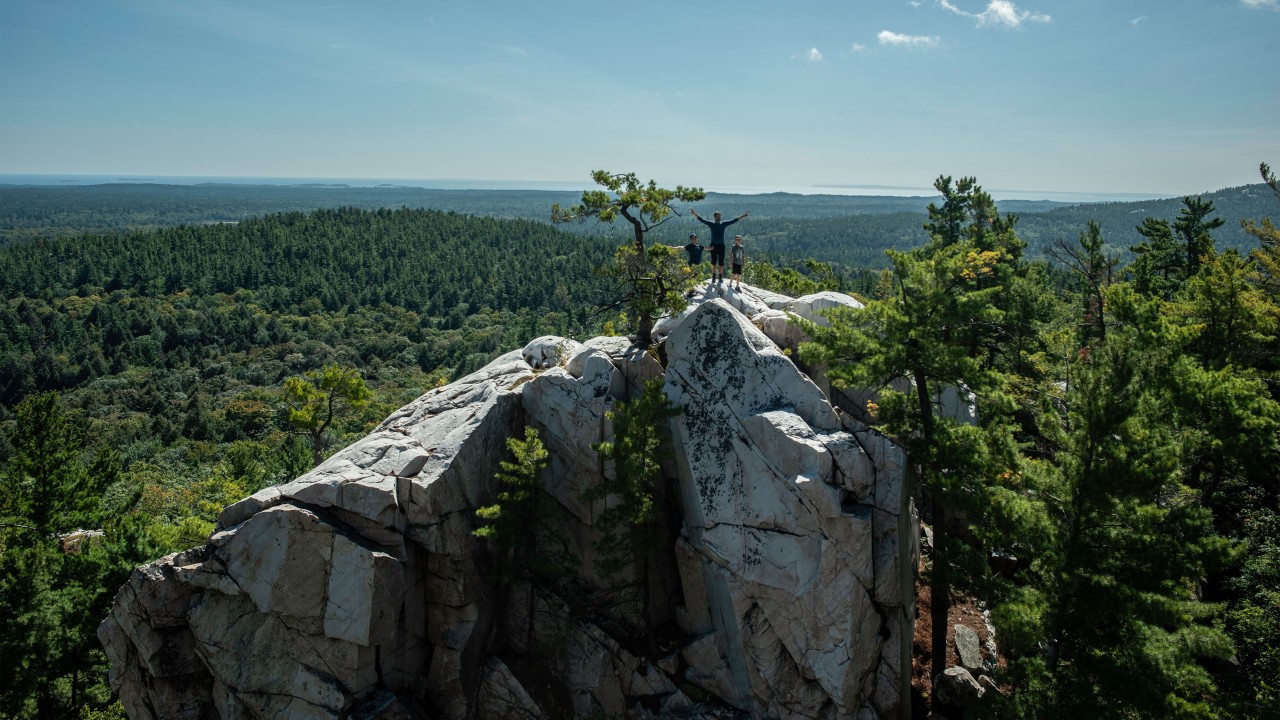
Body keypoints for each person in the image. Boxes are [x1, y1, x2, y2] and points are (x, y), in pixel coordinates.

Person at [691, 208, 748, 285]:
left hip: (721, 246)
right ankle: (714, 277)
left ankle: (720, 277)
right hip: (713, 246)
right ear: (715, 217)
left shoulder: (723, 223)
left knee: (721, 263)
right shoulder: (711, 224)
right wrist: (694, 213)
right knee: (714, 263)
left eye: (720, 215)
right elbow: (702, 220)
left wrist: (744, 215)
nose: (720, 217)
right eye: (718, 216)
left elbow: (734, 220)